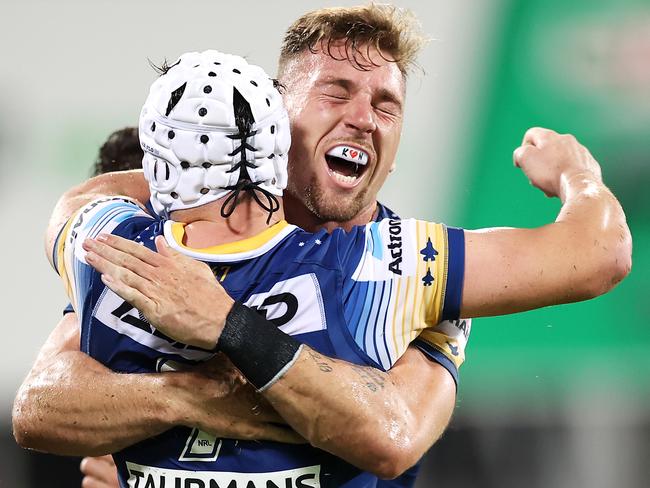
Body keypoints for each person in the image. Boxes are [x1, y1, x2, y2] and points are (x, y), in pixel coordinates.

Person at [14, 4, 631, 487]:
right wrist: (189, 399)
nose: (364, 116)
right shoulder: (159, 250)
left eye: (386, 105)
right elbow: (42, 405)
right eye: (336, 93)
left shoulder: (407, 269)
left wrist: (579, 176)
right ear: (277, 119)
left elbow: (392, 439)